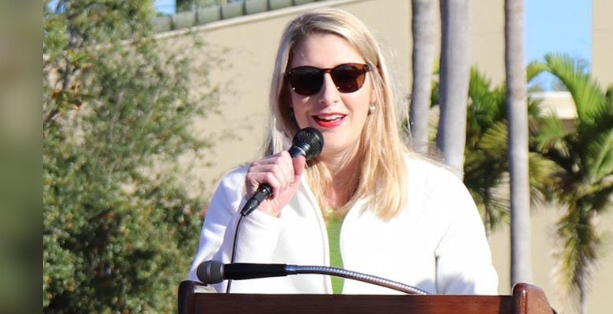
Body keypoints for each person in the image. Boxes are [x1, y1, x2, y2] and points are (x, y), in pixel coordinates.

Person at [188, 8, 498, 295]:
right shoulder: (241, 192)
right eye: (307, 80)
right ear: (286, 96)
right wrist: (258, 221)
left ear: (375, 87)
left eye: (348, 76)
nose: (328, 96)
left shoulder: (439, 193)